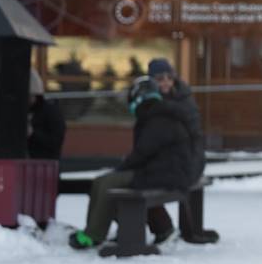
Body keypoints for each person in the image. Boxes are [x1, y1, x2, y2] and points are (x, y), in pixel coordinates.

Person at [68, 77, 196, 251]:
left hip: (167, 173)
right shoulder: (155, 115)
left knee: (108, 183)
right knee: (101, 181)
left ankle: (94, 235)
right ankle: (93, 231)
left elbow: (142, 153)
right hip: (162, 170)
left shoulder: (157, 117)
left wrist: (121, 168)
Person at [143, 57, 217, 245]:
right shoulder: (150, 99)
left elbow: (184, 138)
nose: (166, 81)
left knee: (136, 182)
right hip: (176, 160)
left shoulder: (180, 101)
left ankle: (162, 227)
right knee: (133, 179)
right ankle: (162, 226)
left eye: (169, 77)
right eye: (160, 78)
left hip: (188, 161)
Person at [25, 69, 66, 161]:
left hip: (45, 164)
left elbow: (55, 142)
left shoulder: (51, 112)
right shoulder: (28, 111)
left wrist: (33, 134)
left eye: (29, 96)